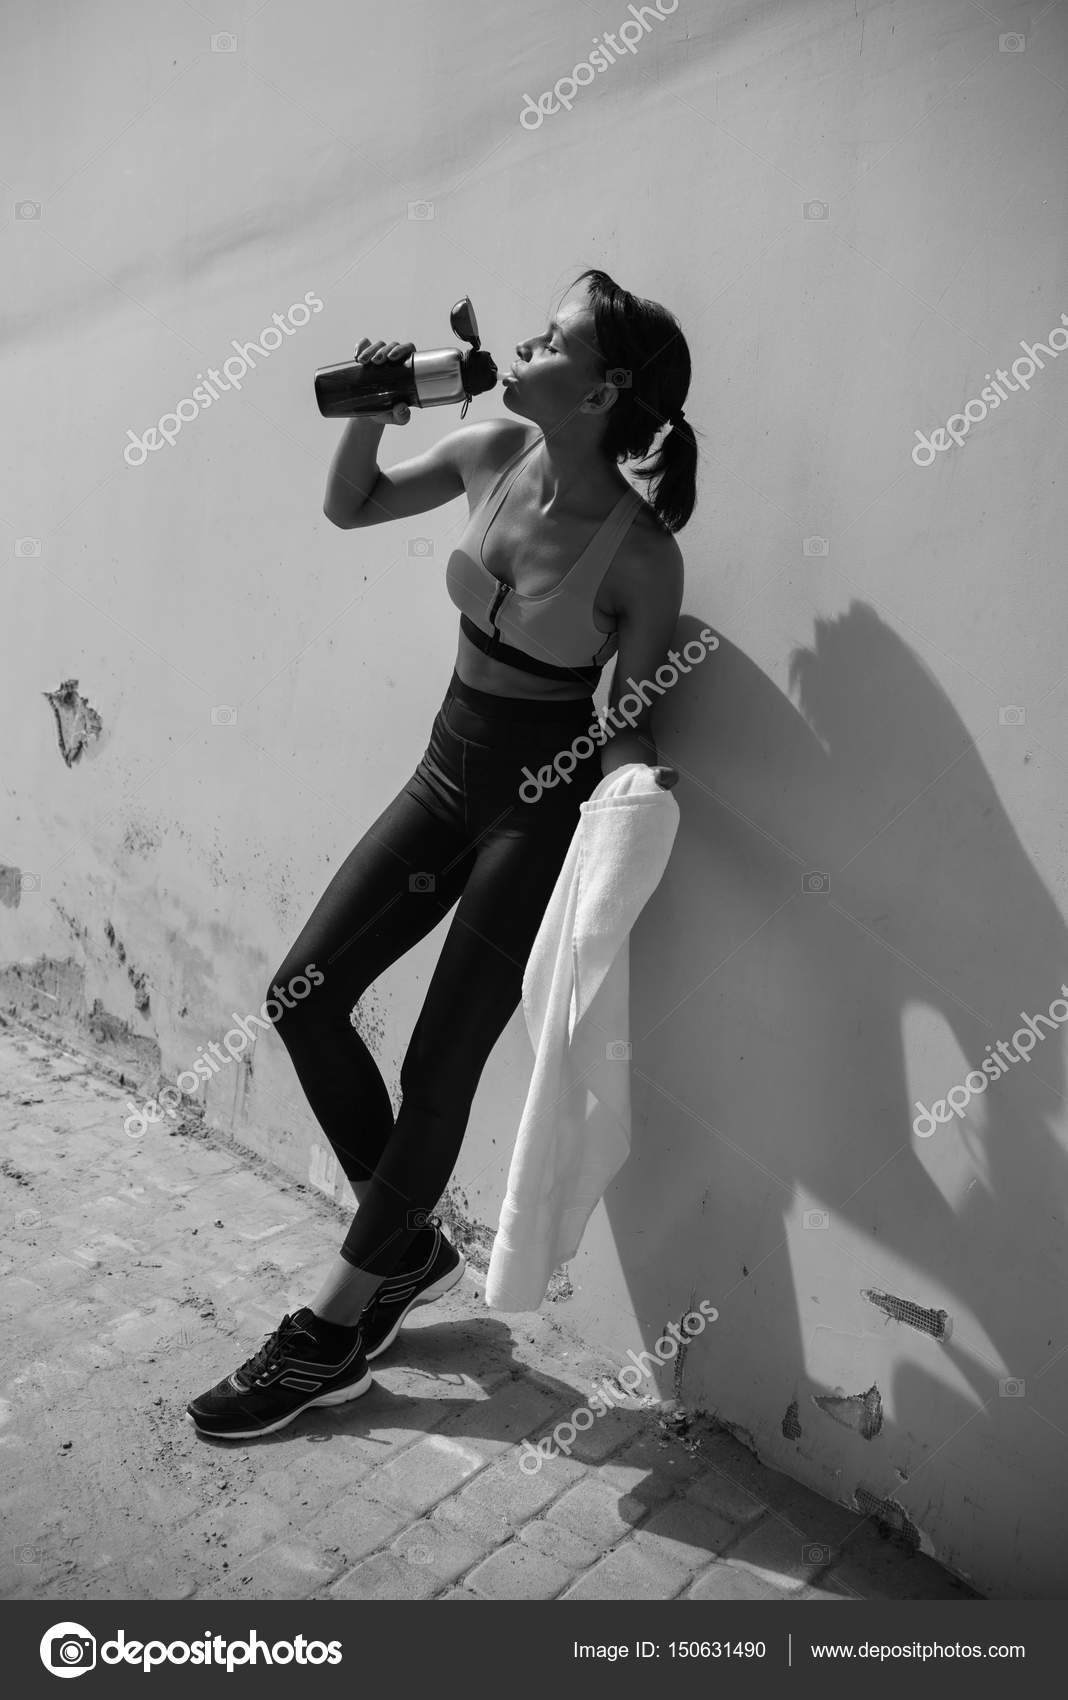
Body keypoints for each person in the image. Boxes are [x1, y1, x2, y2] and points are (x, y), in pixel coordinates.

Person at [187, 268, 698, 1438]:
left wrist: (636, 785)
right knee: (304, 992)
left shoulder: (642, 556)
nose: (523, 343)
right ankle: (404, 1246)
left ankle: (328, 1332)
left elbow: (630, 712)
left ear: (603, 387)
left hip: (534, 807)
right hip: (443, 773)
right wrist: (373, 407)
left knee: (440, 1064)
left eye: (552, 338)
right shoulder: (493, 450)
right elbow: (353, 504)